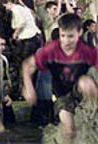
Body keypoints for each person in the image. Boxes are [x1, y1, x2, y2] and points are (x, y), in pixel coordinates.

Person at [22, 13, 98, 144]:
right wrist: (28, 87)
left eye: (71, 36)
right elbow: (27, 65)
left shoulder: (87, 50)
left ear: (80, 32)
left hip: (79, 89)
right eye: (63, 36)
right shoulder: (51, 50)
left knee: (86, 82)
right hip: (61, 95)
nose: (66, 41)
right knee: (69, 129)